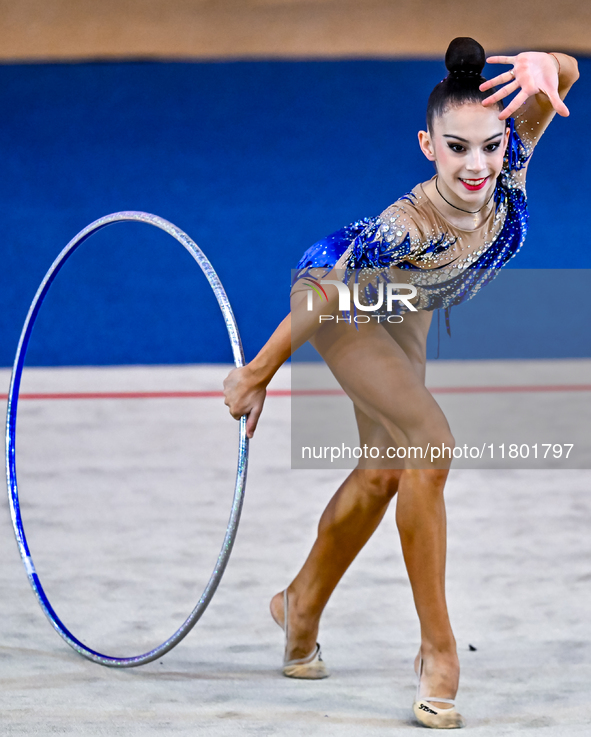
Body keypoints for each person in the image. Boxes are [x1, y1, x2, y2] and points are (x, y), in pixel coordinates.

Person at [223, 38, 579, 729]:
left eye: (489, 145)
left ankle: (300, 603)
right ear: (426, 145)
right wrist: (256, 374)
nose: (476, 166)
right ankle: (437, 650)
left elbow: (564, 77)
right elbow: (326, 295)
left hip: (406, 303)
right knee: (428, 443)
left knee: (385, 469)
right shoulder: (404, 223)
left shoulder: (510, 162)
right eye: (455, 148)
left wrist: (549, 64)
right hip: (340, 298)